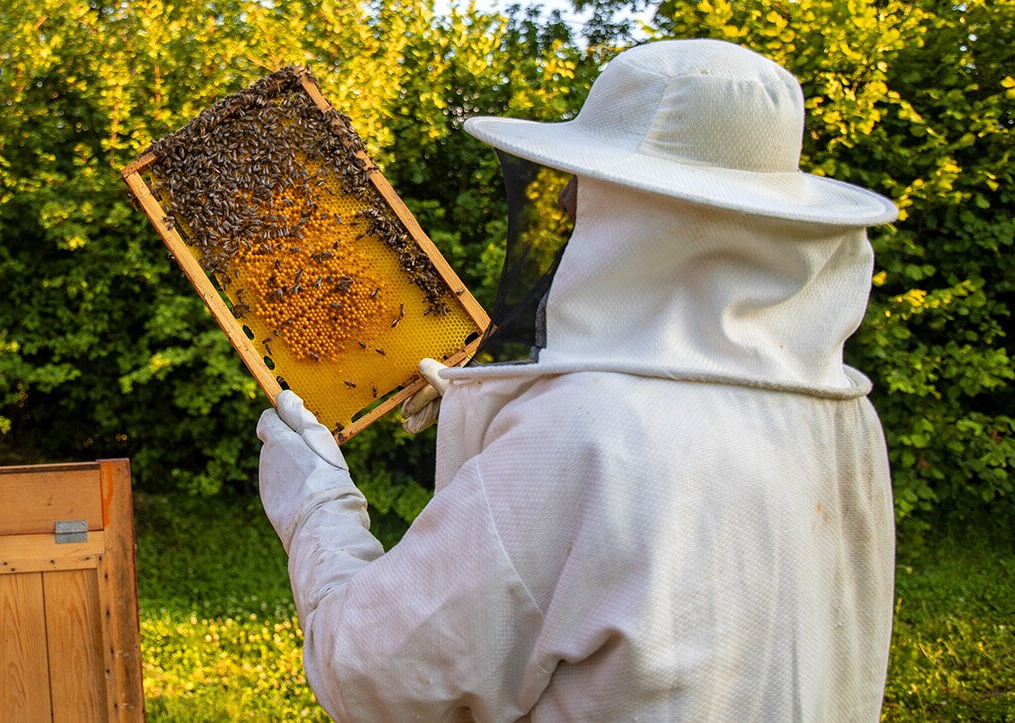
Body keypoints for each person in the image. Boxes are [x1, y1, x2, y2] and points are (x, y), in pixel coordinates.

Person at [255, 39, 899, 722]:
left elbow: (373, 673)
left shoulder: (583, 435)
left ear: (641, 212)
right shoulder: (844, 418)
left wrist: (315, 501)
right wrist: (485, 404)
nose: (564, 200)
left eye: (585, 181)